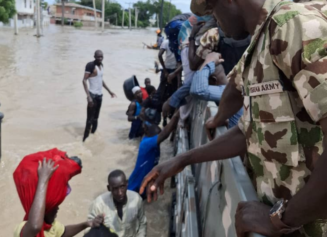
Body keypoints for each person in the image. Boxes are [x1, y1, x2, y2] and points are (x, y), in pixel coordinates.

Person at [141, 0, 327, 236]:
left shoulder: (292, 26)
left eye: (212, 9)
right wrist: (182, 160)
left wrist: (280, 219)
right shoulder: (260, 42)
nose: (213, 20)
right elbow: (251, 131)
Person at [13, 149, 104, 237]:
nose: (57, 209)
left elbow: (63, 233)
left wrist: (86, 224)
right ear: (44, 209)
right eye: (54, 206)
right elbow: (35, 226)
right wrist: (43, 180)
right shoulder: (23, 229)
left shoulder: (50, 226)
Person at [128, 109, 180, 195]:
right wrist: (177, 114)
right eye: (155, 127)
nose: (158, 129)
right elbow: (165, 134)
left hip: (145, 181)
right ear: (146, 128)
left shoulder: (151, 139)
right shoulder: (146, 143)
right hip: (135, 187)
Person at [87, 170, 146, 237]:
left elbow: (142, 223)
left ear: (127, 184)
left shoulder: (136, 199)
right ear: (109, 188)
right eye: (115, 189)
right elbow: (89, 229)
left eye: (122, 187)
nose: (120, 193)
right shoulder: (99, 204)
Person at [82, 50, 116, 142]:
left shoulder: (101, 66)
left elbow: (100, 80)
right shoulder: (90, 65)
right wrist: (88, 96)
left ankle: (93, 137)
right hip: (92, 95)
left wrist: (109, 91)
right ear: (94, 57)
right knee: (89, 119)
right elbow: (84, 80)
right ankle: (84, 140)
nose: (100, 58)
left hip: (99, 96)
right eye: (98, 57)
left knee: (96, 118)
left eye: (101, 57)